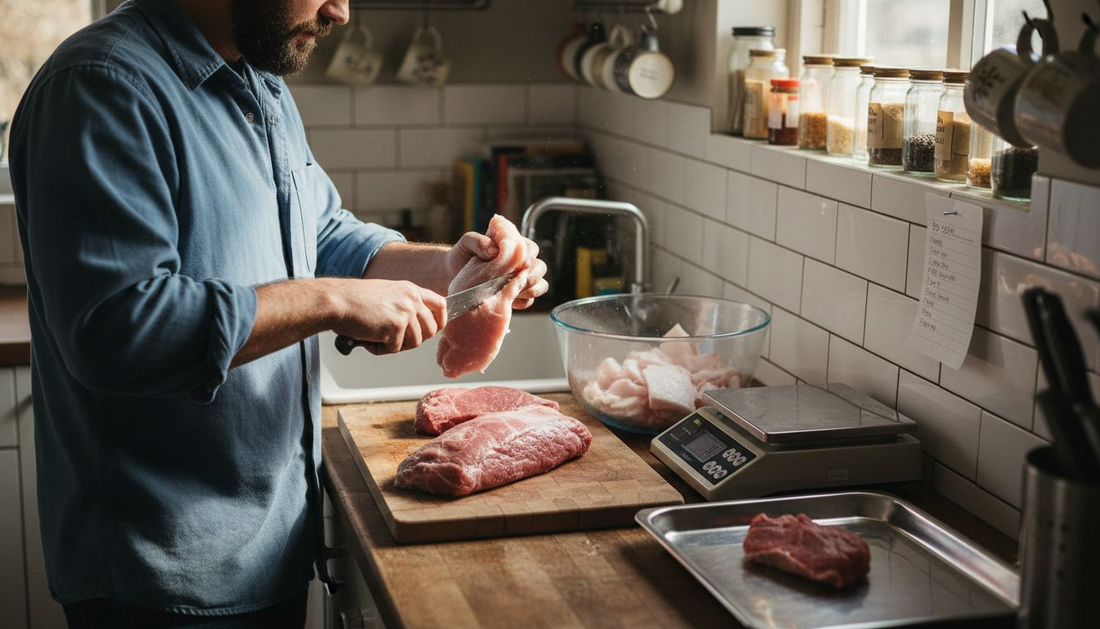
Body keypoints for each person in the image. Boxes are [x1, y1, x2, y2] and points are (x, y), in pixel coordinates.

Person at [8, 0, 548, 626]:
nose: (339, 12)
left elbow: (320, 234)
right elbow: (119, 329)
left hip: (270, 543)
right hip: (160, 571)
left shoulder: (256, 82)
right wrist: (331, 300)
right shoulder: (101, 86)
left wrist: (454, 269)